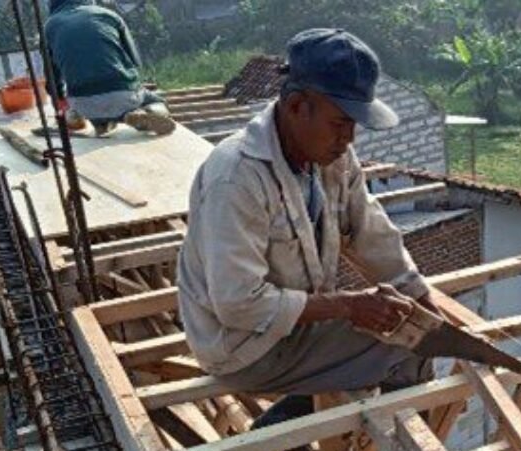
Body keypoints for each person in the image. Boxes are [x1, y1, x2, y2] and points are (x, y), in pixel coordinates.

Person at [177, 28, 437, 425]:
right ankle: (302, 436)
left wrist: (422, 299)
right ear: (297, 106)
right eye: (339, 123)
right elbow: (238, 305)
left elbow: (371, 232)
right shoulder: (235, 178)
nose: (348, 138)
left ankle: (290, 421)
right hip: (244, 346)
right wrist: (349, 306)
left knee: (421, 330)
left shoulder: (332, 157)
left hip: (296, 326)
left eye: (353, 125)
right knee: (409, 348)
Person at [43, 0, 175, 136]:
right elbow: (135, 60)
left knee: (88, 108)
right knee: (157, 101)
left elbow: (52, 79)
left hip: (81, 102)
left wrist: (61, 98)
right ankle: (144, 114)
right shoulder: (110, 15)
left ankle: (99, 123)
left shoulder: (50, 26)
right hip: (122, 92)